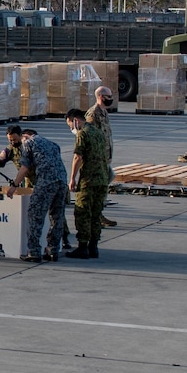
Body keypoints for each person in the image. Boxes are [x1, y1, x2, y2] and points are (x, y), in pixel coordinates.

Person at [3, 125, 68, 262]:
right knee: (57, 216)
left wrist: (14, 186)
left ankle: (33, 252)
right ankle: (53, 250)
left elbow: (25, 168)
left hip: (45, 181)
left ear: (24, 136)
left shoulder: (28, 142)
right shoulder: (52, 144)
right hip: (62, 181)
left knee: (35, 215)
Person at [68, 107, 110, 259]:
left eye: (70, 125)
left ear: (76, 120)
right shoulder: (98, 132)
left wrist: (72, 178)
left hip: (88, 180)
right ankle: (94, 246)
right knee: (96, 214)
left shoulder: (82, 133)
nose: (71, 128)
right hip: (102, 179)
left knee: (83, 212)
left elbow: (77, 157)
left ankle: (82, 247)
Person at [86, 85, 119, 227]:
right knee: (98, 187)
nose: (110, 99)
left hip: (105, 157)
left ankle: (99, 214)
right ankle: (95, 216)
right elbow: (89, 137)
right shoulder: (93, 114)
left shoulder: (104, 113)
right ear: (101, 97)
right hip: (96, 158)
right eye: (108, 97)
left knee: (108, 180)